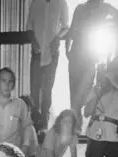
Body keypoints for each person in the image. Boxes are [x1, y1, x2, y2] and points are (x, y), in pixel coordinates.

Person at [66, 0, 118, 130]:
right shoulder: (80, 8)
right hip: (77, 55)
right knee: (75, 93)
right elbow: (71, 30)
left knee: (88, 91)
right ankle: (76, 128)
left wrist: (110, 25)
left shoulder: (104, 8)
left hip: (89, 57)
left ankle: (88, 125)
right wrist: (67, 49)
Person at [26, 0, 69, 128]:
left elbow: (66, 27)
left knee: (47, 91)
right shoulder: (35, 3)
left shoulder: (61, 3)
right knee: (34, 90)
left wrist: (57, 38)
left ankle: (44, 125)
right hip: (37, 53)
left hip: (52, 54)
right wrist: (33, 40)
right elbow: (29, 27)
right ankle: (34, 124)